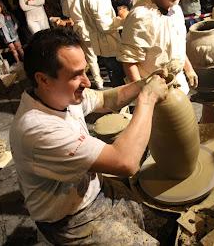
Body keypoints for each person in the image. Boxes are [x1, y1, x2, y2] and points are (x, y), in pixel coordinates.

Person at [9, 27, 167, 245]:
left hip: (93, 188)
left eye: (85, 71)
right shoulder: (37, 129)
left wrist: (143, 84)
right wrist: (147, 99)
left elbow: (107, 100)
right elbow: (126, 162)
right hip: (70, 219)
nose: (87, 82)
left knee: (159, 221)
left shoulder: (60, 95)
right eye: (76, 75)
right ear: (43, 79)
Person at [118, 0, 198, 95]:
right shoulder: (140, 16)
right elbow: (129, 61)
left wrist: (189, 69)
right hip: (153, 90)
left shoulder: (177, 10)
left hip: (178, 86)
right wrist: (144, 94)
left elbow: (178, 45)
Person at [81, 0, 126, 87]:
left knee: (116, 72)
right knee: (116, 74)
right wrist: (124, 19)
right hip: (106, 41)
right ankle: (122, 102)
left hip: (109, 38)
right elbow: (103, 25)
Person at [67, 0, 105, 89]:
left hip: (82, 26)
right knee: (100, 55)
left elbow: (67, 11)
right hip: (96, 24)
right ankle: (102, 81)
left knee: (90, 56)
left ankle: (98, 82)